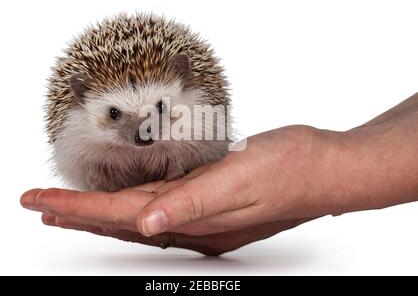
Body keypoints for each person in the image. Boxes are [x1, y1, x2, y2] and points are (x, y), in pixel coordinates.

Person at [21, 93, 418, 256]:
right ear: (81, 104)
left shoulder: (196, 121)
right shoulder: (77, 138)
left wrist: (321, 174)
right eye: (114, 114)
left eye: (159, 108)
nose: (143, 129)